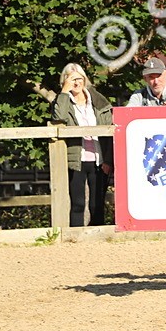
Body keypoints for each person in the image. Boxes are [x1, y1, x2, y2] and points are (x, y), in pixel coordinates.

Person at [51, 63, 114, 227]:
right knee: (77, 204)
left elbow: (109, 132)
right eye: (71, 80)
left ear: (85, 80)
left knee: (97, 204)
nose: (76, 83)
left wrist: (108, 160)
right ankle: (75, 239)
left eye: (79, 79)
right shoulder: (63, 102)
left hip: (98, 159)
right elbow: (59, 117)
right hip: (76, 159)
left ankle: (98, 238)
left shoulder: (98, 101)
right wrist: (64, 93)